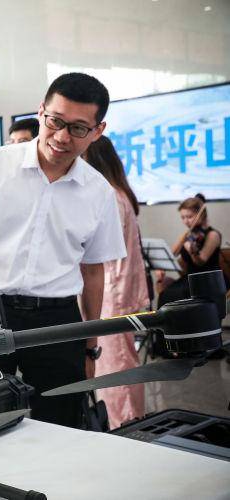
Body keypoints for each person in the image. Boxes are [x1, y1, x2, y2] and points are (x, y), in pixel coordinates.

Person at [0, 73, 126, 429]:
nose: (62, 137)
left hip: (57, 322)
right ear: (41, 112)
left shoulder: (98, 192)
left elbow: (93, 272)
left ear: (97, 131)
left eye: (79, 128)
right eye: (56, 121)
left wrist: (89, 346)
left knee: (62, 422)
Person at [84, 136, 149, 429]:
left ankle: (125, 426)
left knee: (115, 367)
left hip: (112, 291)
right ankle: (129, 421)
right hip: (120, 290)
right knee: (121, 363)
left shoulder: (107, 195)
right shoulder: (120, 193)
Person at [154, 194, 225, 355]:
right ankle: (170, 346)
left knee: (176, 295)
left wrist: (192, 252)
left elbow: (201, 261)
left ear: (201, 214)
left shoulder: (213, 235)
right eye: (183, 217)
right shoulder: (188, 236)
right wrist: (161, 268)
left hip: (207, 280)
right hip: (189, 279)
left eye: (190, 216)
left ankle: (189, 346)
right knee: (166, 294)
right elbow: (169, 257)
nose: (186, 221)